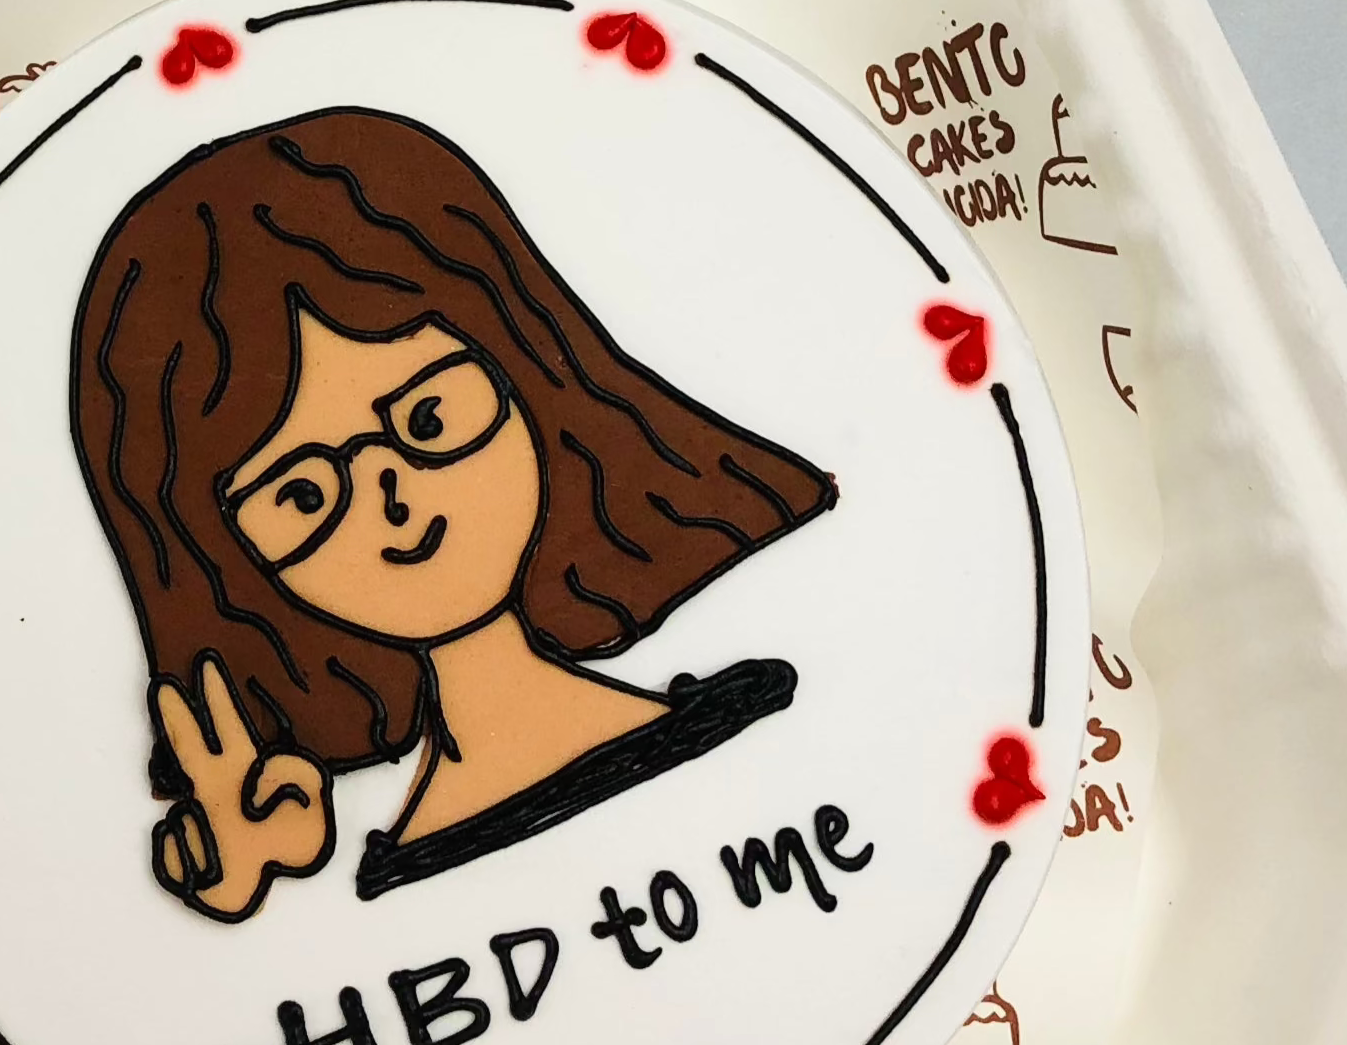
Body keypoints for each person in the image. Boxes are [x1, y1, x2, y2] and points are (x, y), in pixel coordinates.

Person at [69, 107, 836, 914]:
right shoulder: (385, 883)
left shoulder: (746, 715)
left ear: (531, 370)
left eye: (426, 420)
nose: (389, 497)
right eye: (304, 495)